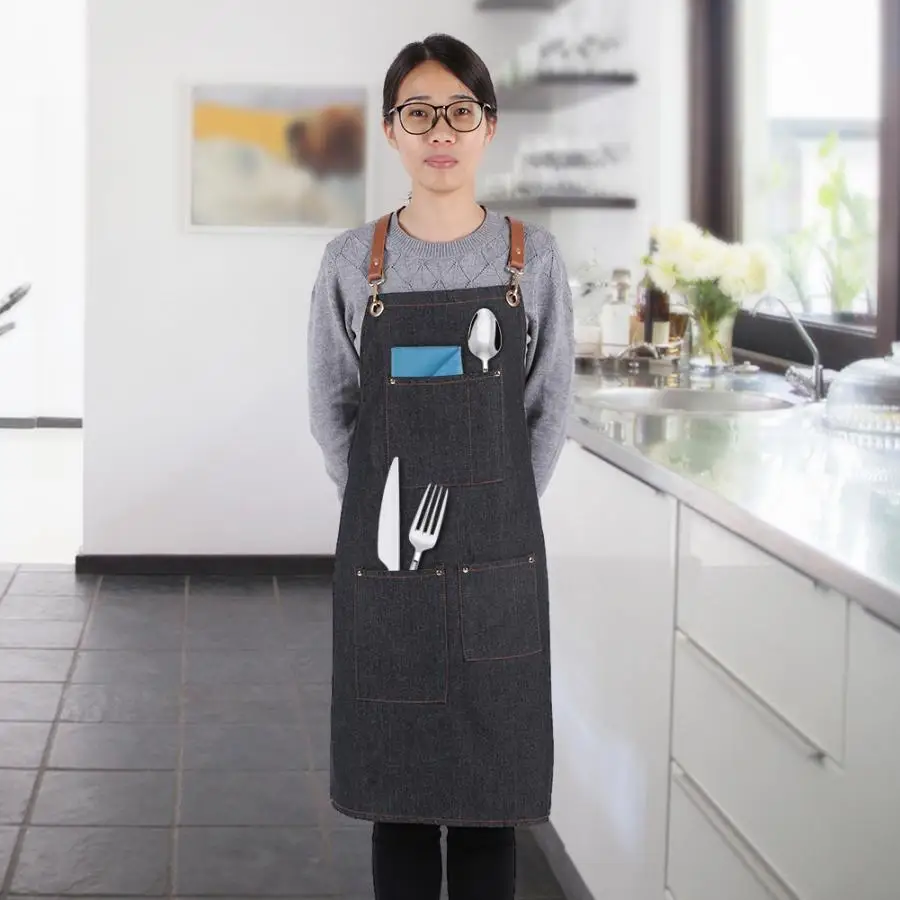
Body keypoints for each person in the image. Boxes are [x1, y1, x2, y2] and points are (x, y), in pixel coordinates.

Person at [307, 32, 575, 900]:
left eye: (460, 111)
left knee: (492, 801)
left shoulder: (533, 260)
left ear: (489, 126)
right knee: (402, 795)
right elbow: (333, 408)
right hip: (391, 563)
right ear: (391, 130)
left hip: (499, 567)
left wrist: (499, 510)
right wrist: (378, 511)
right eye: (418, 113)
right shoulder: (353, 263)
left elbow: (549, 408)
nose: (441, 131)